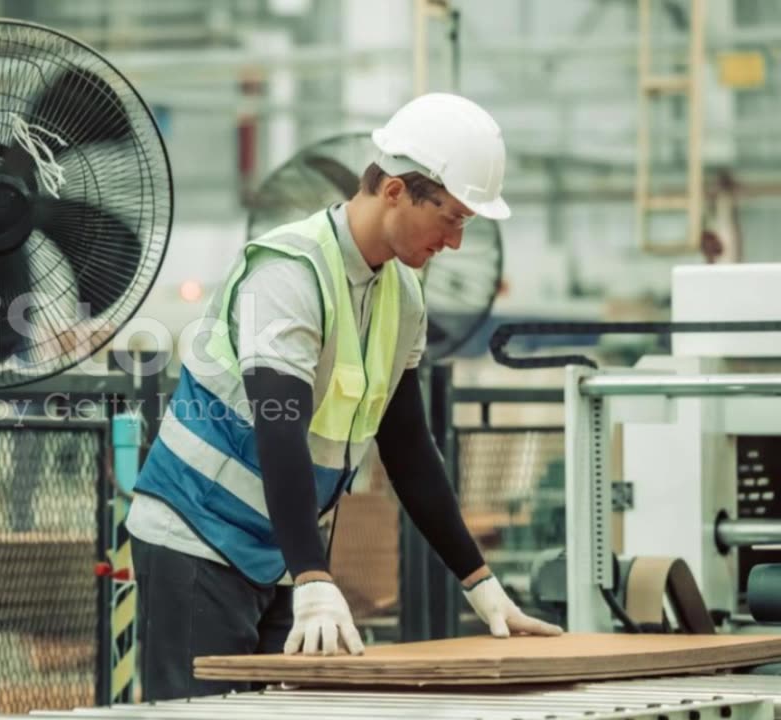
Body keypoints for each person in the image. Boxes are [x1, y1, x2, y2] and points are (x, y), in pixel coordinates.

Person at [125, 92, 563, 701]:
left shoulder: (402, 295)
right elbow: (279, 428)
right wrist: (312, 576)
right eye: (453, 217)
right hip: (197, 533)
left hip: (279, 550)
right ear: (394, 192)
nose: (457, 243)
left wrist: (480, 582)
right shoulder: (288, 271)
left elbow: (408, 447)